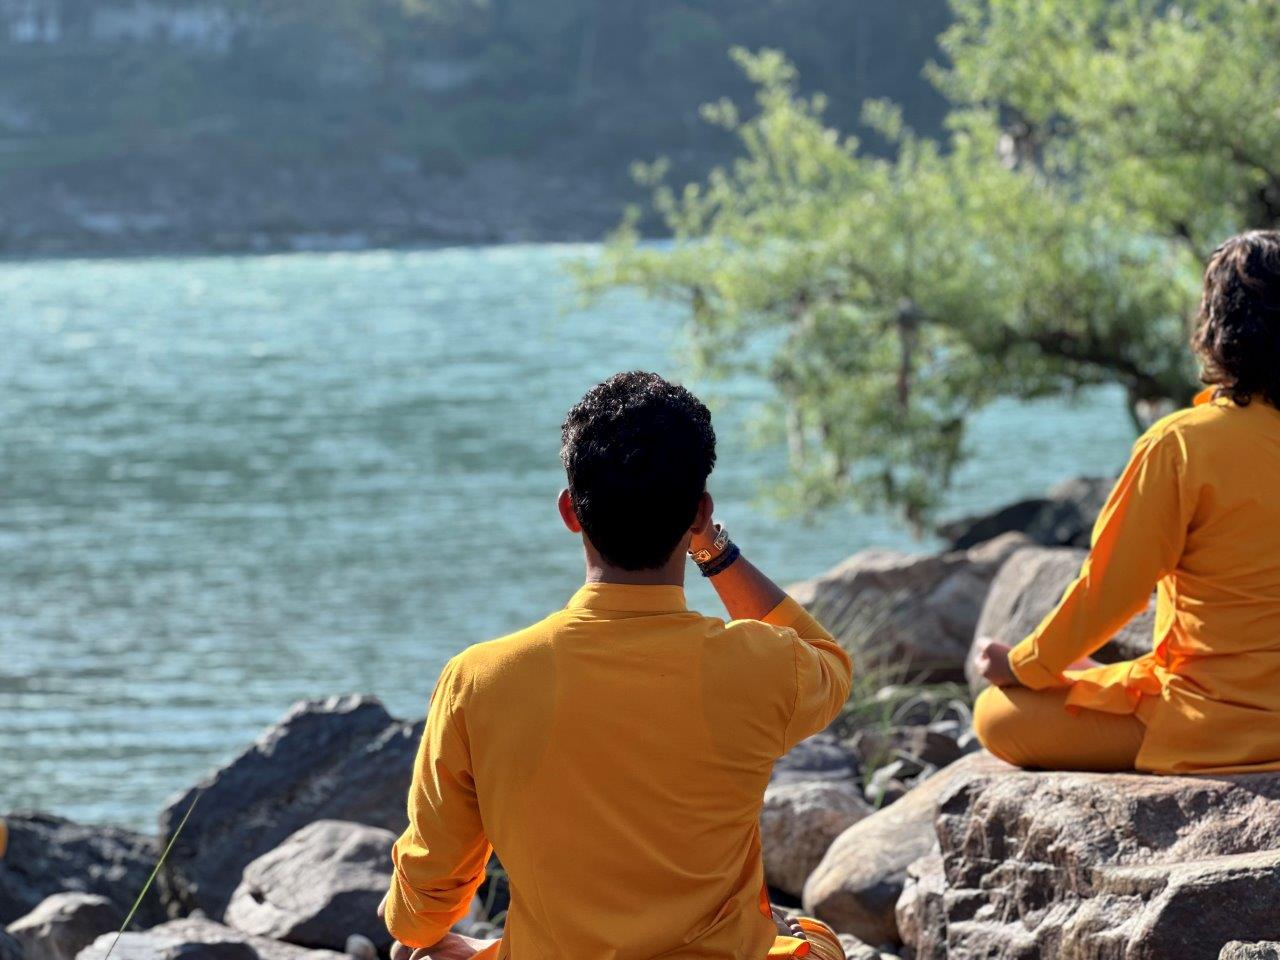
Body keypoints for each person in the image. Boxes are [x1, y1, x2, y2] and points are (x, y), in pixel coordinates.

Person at [381, 372, 852, 959]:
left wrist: (429, 937)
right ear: (699, 511)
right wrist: (714, 549)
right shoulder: (762, 664)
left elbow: (426, 899)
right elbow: (831, 662)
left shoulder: (478, 679)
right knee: (813, 938)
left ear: (570, 512)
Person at [972, 229, 1280, 773]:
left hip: (1217, 723)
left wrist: (1024, 665)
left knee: (998, 713)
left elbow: (1111, 588)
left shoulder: (1182, 443)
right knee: (1102, 680)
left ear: (1215, 326)